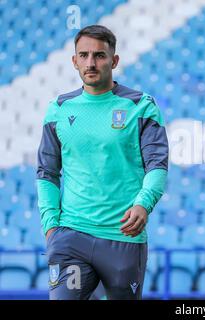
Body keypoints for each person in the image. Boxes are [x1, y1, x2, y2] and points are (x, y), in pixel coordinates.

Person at [36, 25, 168, 300]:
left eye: (99, 55)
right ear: (74, 61)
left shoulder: (141, 105)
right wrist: (51, 226)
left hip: (123, 236)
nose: (90, 63)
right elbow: (47, 172)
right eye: (83, 55)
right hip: (71, 235)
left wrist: (144, 203)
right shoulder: (59, 109)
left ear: (114, 60)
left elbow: (157, 165)